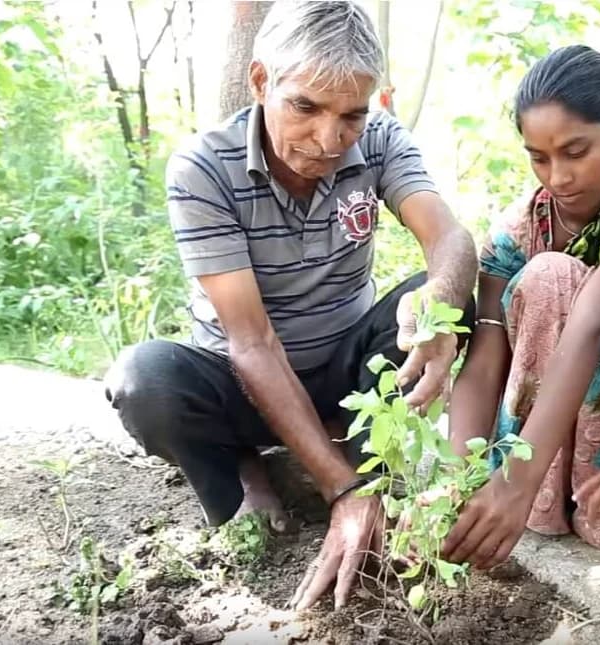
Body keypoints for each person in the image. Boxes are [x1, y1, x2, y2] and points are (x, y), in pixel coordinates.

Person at [103, 0, 477, 611]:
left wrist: (435, 308)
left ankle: (352, 457)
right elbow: (252, 343)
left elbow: (451, 239)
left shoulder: (379, 139)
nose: (329, 139)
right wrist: (343, 489)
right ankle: (256, 467)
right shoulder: (203, 169)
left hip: (343, 375)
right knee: (145, 382)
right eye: (305, 106)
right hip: (240, 382)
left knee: (453, 290)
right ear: (260, 82)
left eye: (350, 115)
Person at [442, 45, 600, 570]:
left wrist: (514, 486)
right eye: (539, 157)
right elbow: (486, 356)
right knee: (544, 275)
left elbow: (594, 319)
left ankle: (597, 489)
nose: (557, 177)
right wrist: (459, 475)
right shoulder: (521, 229)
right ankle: (542, 499)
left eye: (575, 152)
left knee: (585, 281)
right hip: (540, 452)